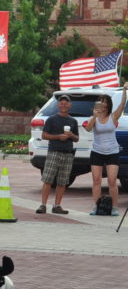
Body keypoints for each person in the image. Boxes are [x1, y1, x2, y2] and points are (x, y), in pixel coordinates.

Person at [83, 83, 128, 216]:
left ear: (108, 105)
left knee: (112, 181)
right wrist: (95, 116)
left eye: (105, 102)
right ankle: (96, 207)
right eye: (101, 101)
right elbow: (88, 128)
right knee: (96, 180)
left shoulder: (113, 116)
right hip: (97, 152)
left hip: (112, 152)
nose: (103, 104)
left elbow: (122, 105)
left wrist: (125, 90)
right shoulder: (94, 118)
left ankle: (114, 207)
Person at [37, 93, 79, 215]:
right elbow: (44, 135)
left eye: (66, 103)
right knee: (48, 180)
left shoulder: (73, 121)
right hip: (54, 152)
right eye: (62, 103)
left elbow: (76, 139)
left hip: (68, 153)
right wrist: (57, 137)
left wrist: (71, 135)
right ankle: (43, 205)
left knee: (63, 181)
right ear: (58, 105)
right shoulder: (52, 119)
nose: (64, 105)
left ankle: (57, 205)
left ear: (70, 105)